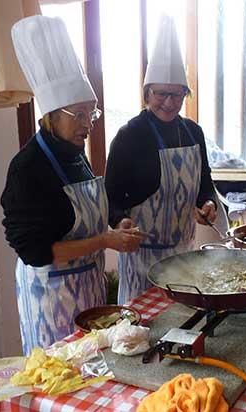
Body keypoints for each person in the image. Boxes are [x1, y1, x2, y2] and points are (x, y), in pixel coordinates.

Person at [2, 16, 143, 355]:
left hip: (88, 291)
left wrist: (115, 223)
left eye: (91, 115)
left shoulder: (75, 155)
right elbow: (34, 251)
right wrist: (104, 241)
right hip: (50, 298)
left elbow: (91, 209)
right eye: (78, 115)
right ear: (52, 114)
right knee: (59, 378)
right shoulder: (28, 168)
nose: (87, 125)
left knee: (94, 372)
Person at [105, 15, 217, 305]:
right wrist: (120, 220)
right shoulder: (129, 135)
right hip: (142, 260)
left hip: (184, 257)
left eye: (178, 95)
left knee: (181, 324)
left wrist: (208, 204)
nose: (169, 102)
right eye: (162, 94)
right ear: (147, 93)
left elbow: (205, 183)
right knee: (140, 335)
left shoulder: (193, 132)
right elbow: (110, 197)